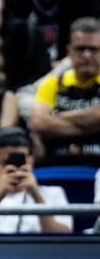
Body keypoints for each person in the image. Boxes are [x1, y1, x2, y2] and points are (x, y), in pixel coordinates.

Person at [0, 127, 73, 233]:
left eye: (20, 162)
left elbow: (63, 238)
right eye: (6, 163)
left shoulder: (53, 193)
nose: (13, 169)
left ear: (30, 161)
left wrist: (37, 196)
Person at [30, 17, 100, 167]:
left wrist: (56, 118)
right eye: (80, 49)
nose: (86, 55)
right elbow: (39, 122)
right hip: (56, 165)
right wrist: (91, 125)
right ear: (69, 51)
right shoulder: (53, 83)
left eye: (93, 49)